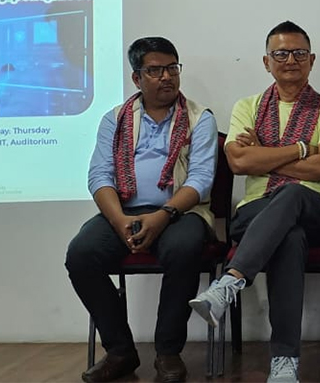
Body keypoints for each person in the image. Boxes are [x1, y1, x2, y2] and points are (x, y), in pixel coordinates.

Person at [189, 21, 320, 383]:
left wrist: (265, 153)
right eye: (281, 53)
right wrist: (303, 149)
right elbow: (238, 161)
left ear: (312, 60)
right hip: (255, 211)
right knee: (289, 236)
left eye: (299, 53)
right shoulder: (247, 107)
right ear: (266, 62)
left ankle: (230, 281)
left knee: (291, 193)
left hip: (318, 210)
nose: (291, 60)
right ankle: (284, 361)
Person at [65, 37, 218, 383]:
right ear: (137, 78)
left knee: (184, 248)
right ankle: (120, 351)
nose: (167, 77)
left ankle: (168, 352)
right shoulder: (115, 119)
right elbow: (99, 176)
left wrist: (163, 216)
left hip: (180, 213)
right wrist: (119, 220)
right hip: (125, 211)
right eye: (155, 70)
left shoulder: (200, 118)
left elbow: (201, 179)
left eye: (172, 68)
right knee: (81, 254)